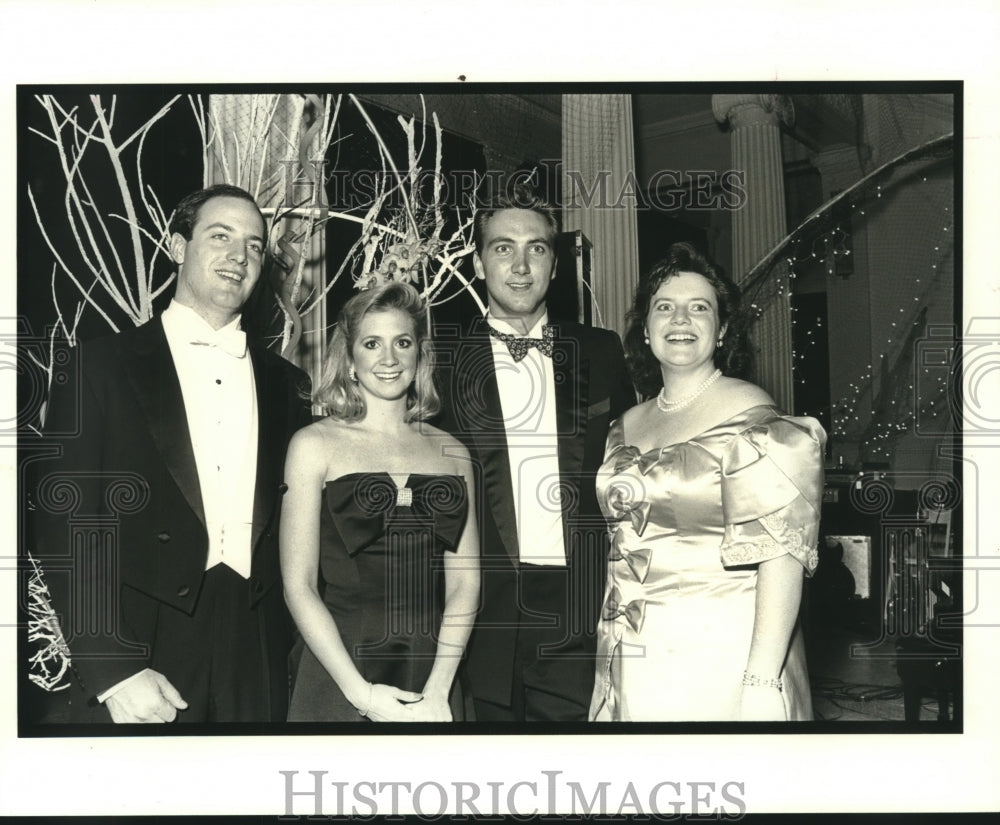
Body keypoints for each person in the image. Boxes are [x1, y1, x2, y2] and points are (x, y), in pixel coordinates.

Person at [28, 184, 313, 723]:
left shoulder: (290, 386)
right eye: (220, 236)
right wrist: (113, 666)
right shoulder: (97, 365)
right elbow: (64, 522)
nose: (238, 256)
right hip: (143, 638)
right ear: (178, 247)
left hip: (257, 647)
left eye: (254, 246)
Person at [590, 242, 826, 722]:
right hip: (630, 651)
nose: (680, 319)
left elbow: (782, 555)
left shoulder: (753, 416)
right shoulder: (623, 425)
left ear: (720, 331)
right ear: (646, 330)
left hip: (723, 653)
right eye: (665, 307)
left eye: (699, 308)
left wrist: (762, 679)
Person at [436, 184, 635, 722]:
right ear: (478, 263)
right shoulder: (439, 362)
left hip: (579, 606)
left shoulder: (602, 350)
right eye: (503, 248)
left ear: (555, 263)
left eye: (537, 248)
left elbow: (634, 472)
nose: (521, 266)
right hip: (475, 611)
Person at [281, 281, 479, 722]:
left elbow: (465, 585)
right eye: (372, 344)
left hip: (433, 669)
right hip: (340, 667)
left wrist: (439, 689)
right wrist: (361, 695)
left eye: (402, 342)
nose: (388, 359)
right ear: (350, 360)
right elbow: (300, 586)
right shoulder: (313, 445)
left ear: (419, 355)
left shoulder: (453, 452)